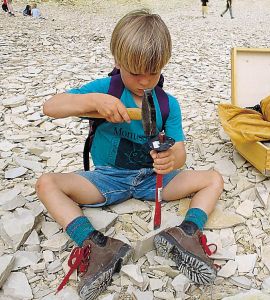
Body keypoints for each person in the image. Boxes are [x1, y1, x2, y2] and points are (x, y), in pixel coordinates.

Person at [36, 9, 223, 299]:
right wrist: (93, 101)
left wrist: (172, 159)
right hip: (108, 178)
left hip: (152, 180)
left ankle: (185, 232)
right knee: (47, 184)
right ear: (118, 61)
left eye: (154, 72)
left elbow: (181, 151)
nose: (145, 81)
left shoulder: (167, 105)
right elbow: (52, 107)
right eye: (135, 73)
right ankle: (96, 244)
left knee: (213, 180)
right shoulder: (106, 89)